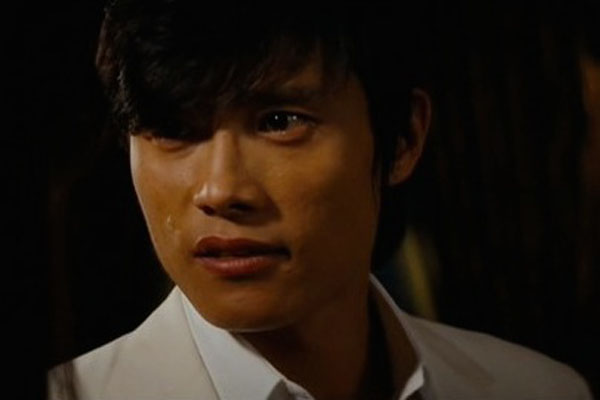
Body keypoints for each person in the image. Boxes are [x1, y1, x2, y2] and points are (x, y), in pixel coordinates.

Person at [48, 2, 593, 399]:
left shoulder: (540, 390)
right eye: (172, 129)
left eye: (279, 122)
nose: (221, 190)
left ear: (403, 138)